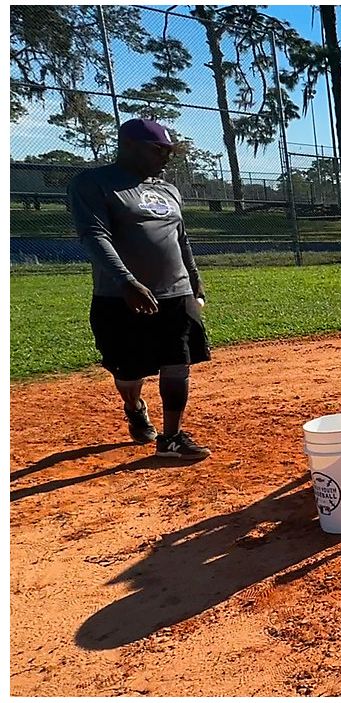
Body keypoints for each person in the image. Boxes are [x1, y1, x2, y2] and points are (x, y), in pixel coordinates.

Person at [67, 118, 211, 459]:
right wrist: (127, 281)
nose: (165, 157)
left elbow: (181, 239)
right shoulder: (94, 183)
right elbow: (94, 236)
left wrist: (195, 282)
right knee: (128, 371)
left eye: (169, 151)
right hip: (120, 298)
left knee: (179, 363)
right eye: (158, 149)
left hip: (175, 293)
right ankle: (134, 407)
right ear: (129, 145)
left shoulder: (168, 190)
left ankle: (171, 438)